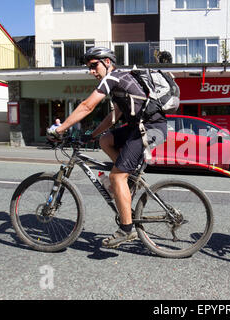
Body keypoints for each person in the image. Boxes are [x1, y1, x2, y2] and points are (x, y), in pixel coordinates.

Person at [47, 47, 167, 248]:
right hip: (141, 127)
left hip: (149, 128)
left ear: (108, 62)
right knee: (106, 140)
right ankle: (129, 178)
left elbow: (87, 105)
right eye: (89, 68)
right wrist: (91, 135)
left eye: (94, 66)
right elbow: (113, 117)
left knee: (116, 177)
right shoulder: (121, 83)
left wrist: (61, 129)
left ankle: (126, 230)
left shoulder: (113, 78)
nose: (92, 71)